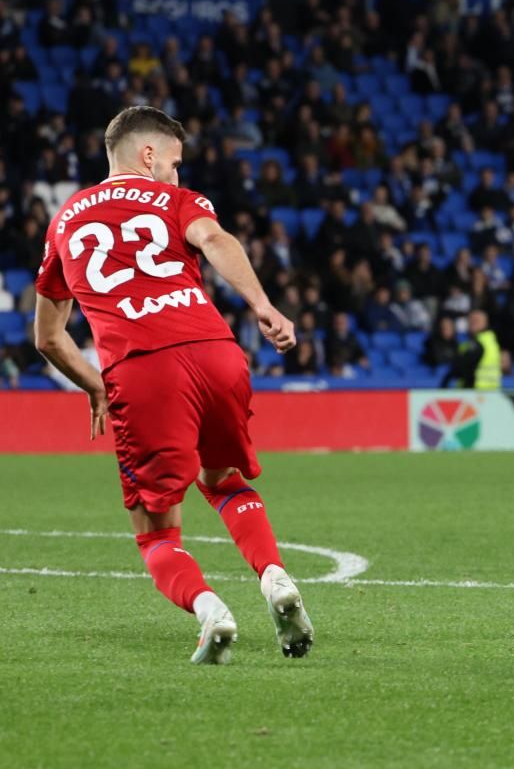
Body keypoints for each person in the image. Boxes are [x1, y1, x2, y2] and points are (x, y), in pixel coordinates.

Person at [32, 106, 312, 665]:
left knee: (157, 533)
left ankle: (211, 611)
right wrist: (263, 306)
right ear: (148, 155)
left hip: (141, 368)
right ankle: (275, 576)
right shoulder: (176, 201)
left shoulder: (64, 220)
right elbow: (215, 238)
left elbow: (48, 337)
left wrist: (96, 386)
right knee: (226, 480)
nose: (179, 175)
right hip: (216, 351)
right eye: (176, 162)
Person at [444, 308, 501, 389]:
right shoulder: (491, 341)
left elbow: (461, 367)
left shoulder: (478, 343)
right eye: (470, 321)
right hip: (491, 392)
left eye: (476, 321)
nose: (472, 324)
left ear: (485, 323)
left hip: (475, 392)